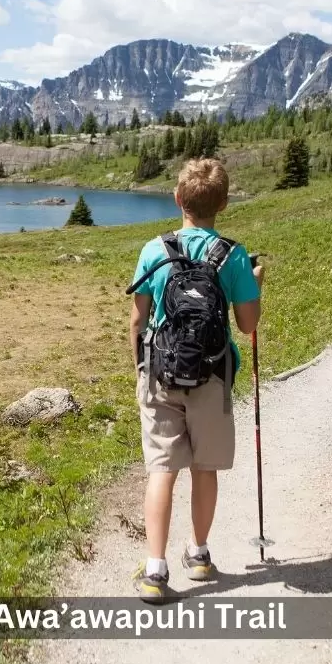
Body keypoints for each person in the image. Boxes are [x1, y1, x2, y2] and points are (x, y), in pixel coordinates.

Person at [129, 158, 264, 601]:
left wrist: (141, 368)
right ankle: (200, 554)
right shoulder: (234, 255)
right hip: (212, 376)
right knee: (205, 468)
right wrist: (255, 285)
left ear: (177, 198)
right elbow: (247, 325)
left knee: (161, 469)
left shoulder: (154, 250)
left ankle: (154, 569)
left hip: (161, 373)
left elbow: (137, 319)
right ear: (223, 203)